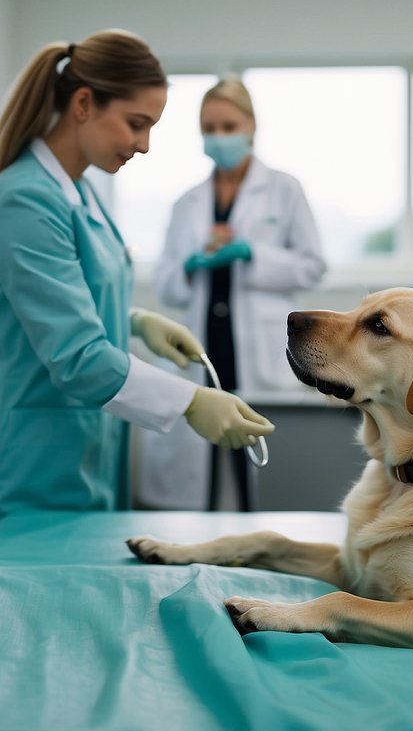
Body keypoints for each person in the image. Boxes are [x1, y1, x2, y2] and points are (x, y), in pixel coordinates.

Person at [0, 31, 275, 560]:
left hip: (79, 458)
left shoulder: (78, 192)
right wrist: (190, 401)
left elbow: (62, 300)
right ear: (84, 104)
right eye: (136, 123)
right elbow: (76, 355)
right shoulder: (24, 203)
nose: (143, 144)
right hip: (25, 467)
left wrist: (133, 320)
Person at [139, 77, 326, 511]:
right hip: (204, 351)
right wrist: (189, 266)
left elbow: (312, 266)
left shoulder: (284, 189)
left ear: (251, 125)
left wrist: (250, 255)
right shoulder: (187, 202)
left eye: (228, 125)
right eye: (209, 127)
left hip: (260, 357)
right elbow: (166, 284)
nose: (218, 136)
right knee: (203, 481)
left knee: (261, 483)